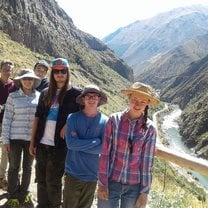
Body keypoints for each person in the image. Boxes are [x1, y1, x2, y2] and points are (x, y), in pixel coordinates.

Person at [97, 82, 160, 208]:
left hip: (134, 185)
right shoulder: (114, 120)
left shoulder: (150, 128)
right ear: (129, 98)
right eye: (135, 99)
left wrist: (144, 193)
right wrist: (102, 183)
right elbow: (105, 154)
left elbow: (146, 162)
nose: (137, 104)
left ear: (147, 103)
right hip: (111, 181)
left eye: (142, 101)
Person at [29, 58, 82, 208]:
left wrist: (69, 123)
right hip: (42, 143)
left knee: (54, 181)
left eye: (63, 71)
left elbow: (83, 116)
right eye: (56, 71)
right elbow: (37, 118)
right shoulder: (45, 93)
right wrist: (33, 142)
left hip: (60, 145)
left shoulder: (76, 94)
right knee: (40, 178)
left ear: (67, 73)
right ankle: (41, 205)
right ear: (52, 74)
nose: (59, 74)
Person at [63, 84, 108, 208]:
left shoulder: (105, 121)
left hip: (92, 174)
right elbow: (70, 144)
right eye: (88, 96)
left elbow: (104, 148)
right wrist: (96, 141)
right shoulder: (72, 118)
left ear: (99, 99)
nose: (92, 99)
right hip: (73, 172)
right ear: (83, 99)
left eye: (95, 96)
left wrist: (80, 143)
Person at [1, 69, 40, 208]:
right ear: (20, 81)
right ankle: (12, 195)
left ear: (34, 81)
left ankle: (23, 193)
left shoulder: (40, 97)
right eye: (25, 79)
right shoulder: (12, 97)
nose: (28, 81)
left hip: (31, 139)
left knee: (28, 167)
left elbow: (40, 120)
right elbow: (7, 119)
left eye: (30, 79)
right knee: (13, 167)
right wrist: (5, 140)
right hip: (14, 138)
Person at [0, 60, 17, 190]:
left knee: (5, 150)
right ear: (1, 69)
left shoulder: (15, 85)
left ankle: (2, 178)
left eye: (10, 69)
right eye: (5, 69)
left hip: (8, 123)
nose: (8, 71)